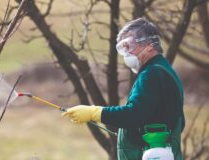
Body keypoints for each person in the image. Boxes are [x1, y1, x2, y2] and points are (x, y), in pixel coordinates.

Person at [62, 18, 185, 160]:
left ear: (150, 46)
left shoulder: (152, 74)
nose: (126, 53)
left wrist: (94, 112)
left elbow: (134, 115)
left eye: (129, 46)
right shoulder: (163, 70)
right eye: (123, 48)